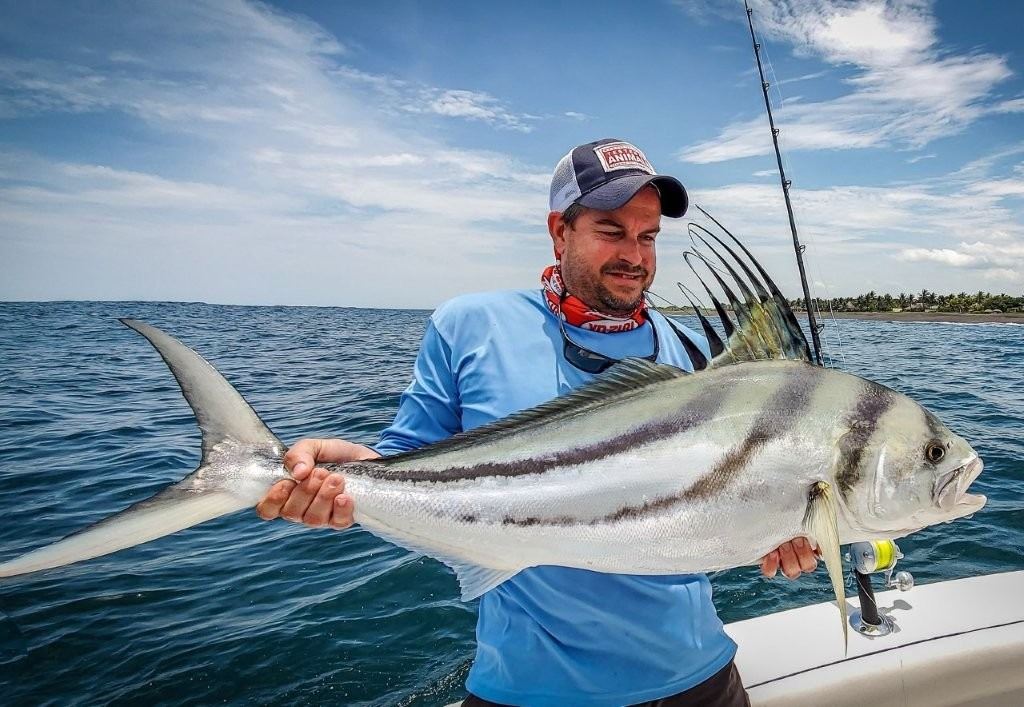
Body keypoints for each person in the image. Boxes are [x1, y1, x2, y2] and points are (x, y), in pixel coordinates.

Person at [256, 138, 818, 706]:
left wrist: (783, 530)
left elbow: (721, 504)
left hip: (698, 679)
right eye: (611, 230)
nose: (635, 255)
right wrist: (346, 482)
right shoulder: (470, 325)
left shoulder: (701, 360)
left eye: (648, 237)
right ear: (559, 231)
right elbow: (405, 464)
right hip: (529, 690)